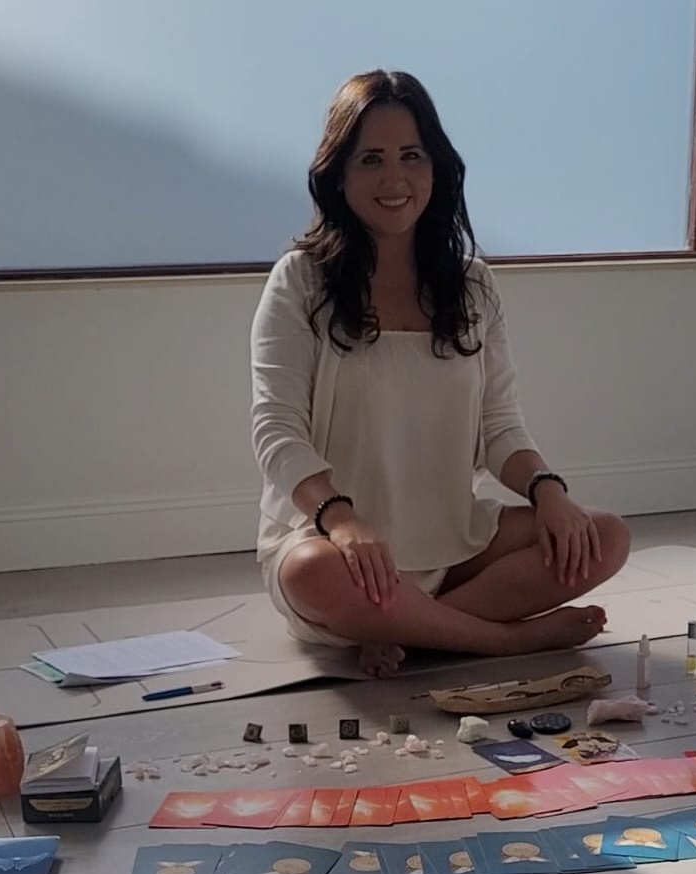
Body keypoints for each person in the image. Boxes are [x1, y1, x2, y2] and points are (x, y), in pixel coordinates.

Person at [250, 69, 630, 677]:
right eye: (371, 159)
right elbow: (277, 431)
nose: (394, 179)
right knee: (309, 573)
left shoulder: (474, 284)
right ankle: (500, 641)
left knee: (602, 536)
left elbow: (500, 426)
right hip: (338, 549)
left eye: (411, 155)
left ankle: (410, 629)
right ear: (339, 174)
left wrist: (549, 492)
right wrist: (342, 522)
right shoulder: (300, 280)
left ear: (437, 168)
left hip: (454, 542)